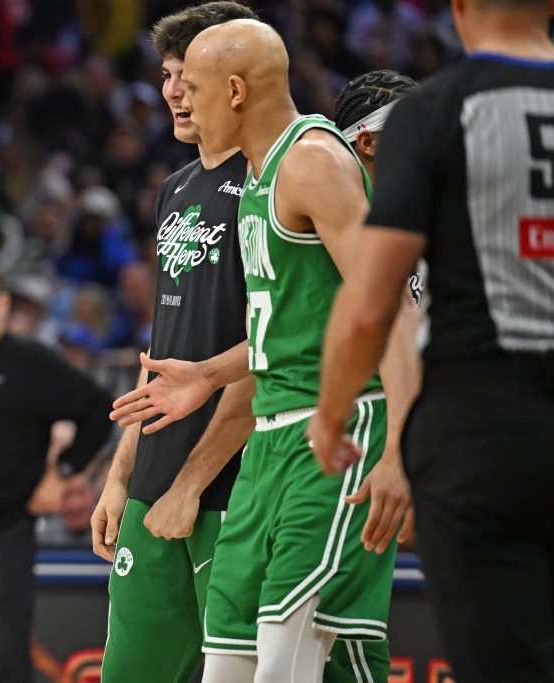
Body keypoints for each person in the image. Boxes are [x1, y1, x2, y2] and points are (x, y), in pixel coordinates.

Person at [309, 2, 554, 682]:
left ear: (460, 10)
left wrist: (330, 416)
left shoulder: (434, 112)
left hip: (482, 430)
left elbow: (373, 301)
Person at [179, 20, 419, 681]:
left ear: (233, 90)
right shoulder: (257, 174)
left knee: (288, 663)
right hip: (269, 441)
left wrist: (401, 447)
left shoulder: (313, 161)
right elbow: (292, 323)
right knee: (227, 662)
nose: (182, 103)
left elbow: (393, 308)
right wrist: (206, 372)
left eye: (193, 88)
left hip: (336, 433)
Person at [89, 5, 255, 682]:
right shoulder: (177, 188)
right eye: (166, 75)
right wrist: (123, 472)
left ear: (235, 82)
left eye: (190, 75)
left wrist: (191, 484)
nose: (174, 92)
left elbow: (271, 351)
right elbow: (164, 350)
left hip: (232, 489)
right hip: (153, 486)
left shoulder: (273, 186)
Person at [0, 256, 112, 682]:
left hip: (4, 528)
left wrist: (62, 471)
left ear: (3, 303)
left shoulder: (29, 362)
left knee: (5, 653)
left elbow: (98, 409)